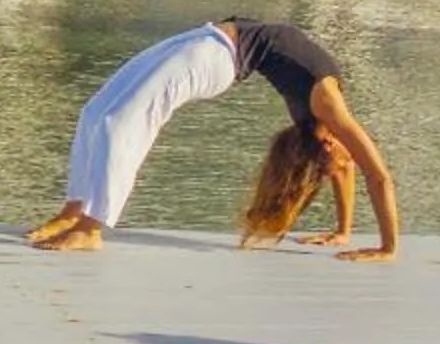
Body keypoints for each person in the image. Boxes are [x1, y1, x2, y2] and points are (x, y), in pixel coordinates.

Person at [25, 16, 399, 261]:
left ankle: (91, 229)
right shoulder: (320, 120)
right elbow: (348, 171)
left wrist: (387, 248)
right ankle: (71, 213)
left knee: (123, 121)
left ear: (328, 147)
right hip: (206, 37)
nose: (347, 166)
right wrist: (343, 232)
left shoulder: (327, 109)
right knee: (96, 112)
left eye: (341, 164)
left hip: (215, 58)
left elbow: (377, 176)